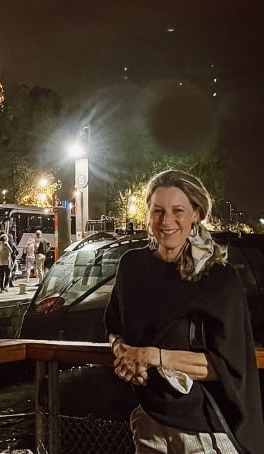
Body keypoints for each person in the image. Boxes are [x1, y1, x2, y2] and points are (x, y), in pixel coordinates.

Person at [104, 169, 264, 454]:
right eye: (158, 211)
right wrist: (124, 357)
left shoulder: (218, 278)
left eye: (178, 210)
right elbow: (114, 327)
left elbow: (230, 366)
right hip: (149, 423)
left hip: (204, 432)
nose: (167, 221)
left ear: (196, 214)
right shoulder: (130, 267)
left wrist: (153, 356)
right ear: (148, 215)